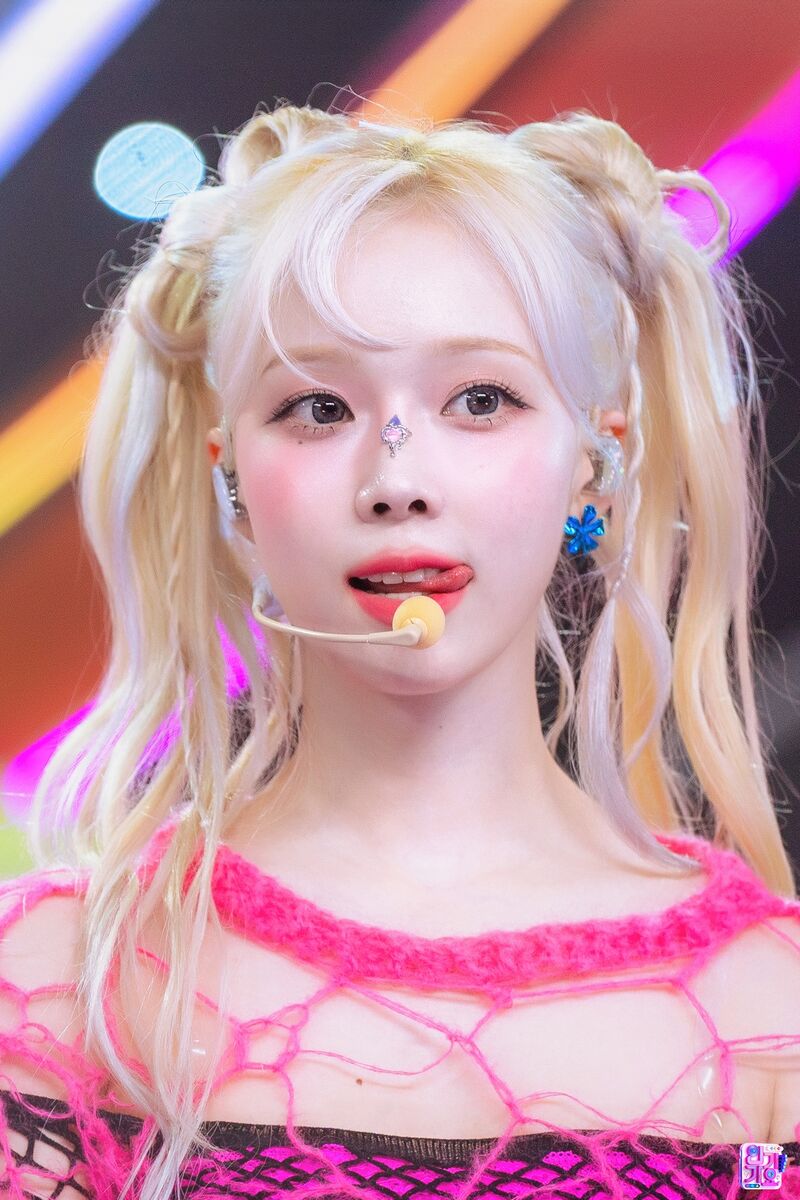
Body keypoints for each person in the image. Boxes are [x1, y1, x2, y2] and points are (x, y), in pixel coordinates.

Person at [1, 99, 799, 1200]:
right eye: (317, 407)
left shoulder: (771, 1023)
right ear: (231, 477)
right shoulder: (59, 990)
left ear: (591, 459)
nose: (396, 480)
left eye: (481, 399)